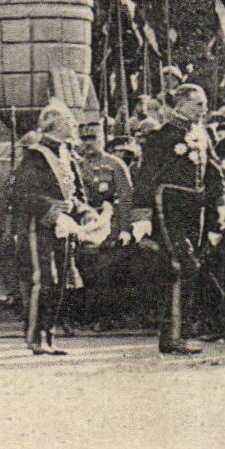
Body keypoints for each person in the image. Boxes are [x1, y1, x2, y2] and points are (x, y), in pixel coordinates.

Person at [130, 83, 225, 356]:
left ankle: (178, 334)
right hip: (168, 208)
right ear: (181, 104)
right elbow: (146, 177)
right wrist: (142, 216)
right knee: (181, 265)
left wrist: (222, 204)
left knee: (189, 267)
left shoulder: (203, 134)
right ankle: (173, 337)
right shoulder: (161, 137)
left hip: (195, 211)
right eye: (199, 104)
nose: (204, 109)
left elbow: (214, 172)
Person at [8, 102, 87, 356]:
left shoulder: (66, 154)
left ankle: (49, 336)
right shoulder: (36, 155)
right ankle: (36, 337)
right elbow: (22, 193)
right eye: (69, 121)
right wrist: (52, 211)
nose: (74, 126)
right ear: (55, 124)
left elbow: (74, 193)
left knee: (59, 282)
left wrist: (82, 210)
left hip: (62, 227)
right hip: (39, 226)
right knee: (43, 280)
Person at [77, 120, 136, 332]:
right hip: (85, 223)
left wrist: (124, 228)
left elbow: (126, 198)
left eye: (92, 138)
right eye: (84, 139)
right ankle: (85, 315)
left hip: (109, 223)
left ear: (102, 139)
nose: (88, 143)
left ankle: (106, 316)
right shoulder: (77, 165)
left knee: (106, 270)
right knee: (85, 269)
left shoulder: (114, 165)